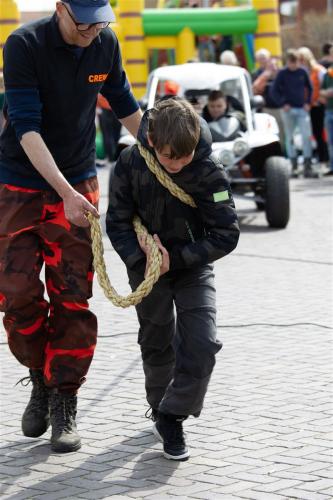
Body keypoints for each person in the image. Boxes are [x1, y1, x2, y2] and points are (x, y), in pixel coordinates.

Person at [0, 0, 142, 453]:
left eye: (102, 21)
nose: (94, 30)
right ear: (61, 9)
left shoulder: (103, 42)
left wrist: (172, 164)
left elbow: (125, 105)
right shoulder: (23, 44)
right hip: (20, 185)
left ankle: (64, 398)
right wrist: (64, 192)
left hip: (78, 183)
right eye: (85, 21)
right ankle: (40, 377)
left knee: (72, 297)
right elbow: (26, 127)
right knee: (16, 295)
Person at [106, 98, 239, 460]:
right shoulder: (130, 163)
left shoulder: (209, 171)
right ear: (150, 138)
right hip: (146, 267)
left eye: (185, 157)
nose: (178, 165)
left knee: (202, 343)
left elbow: (227, 234)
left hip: (193, 267)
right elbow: (116, 222)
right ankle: (158, 404)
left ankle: (173, 414)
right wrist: (143, 258)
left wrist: (177, 259)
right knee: (156, 338)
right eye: (169, 158)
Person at [271, 49, 315, 177]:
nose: (293, 65)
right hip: (288, 109)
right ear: (287, 62)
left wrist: (308, 102)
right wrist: (282, 103)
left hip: (302, 108)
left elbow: (310, 88)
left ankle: (307, 164)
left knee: (306, 136)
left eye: (295, 62)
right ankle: (294, 164)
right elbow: (274, 90)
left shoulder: (302, 71)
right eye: (291, 63)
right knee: (290, 137)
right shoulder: (282, 73)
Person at [297, 47, 328, 167]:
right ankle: (313, 158)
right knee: (310, 134)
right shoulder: (300, 72)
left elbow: (325, 84)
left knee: (320, 133)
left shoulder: (318, 70)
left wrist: (321, 96)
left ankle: (324, 159)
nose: (300, 61)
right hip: (305, 106)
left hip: (317, 106)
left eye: (302, 59)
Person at [320, 65, 333, 175]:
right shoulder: (328, 73)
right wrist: (326, 92)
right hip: (329, 110)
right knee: (330, 141)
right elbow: (321, 91)